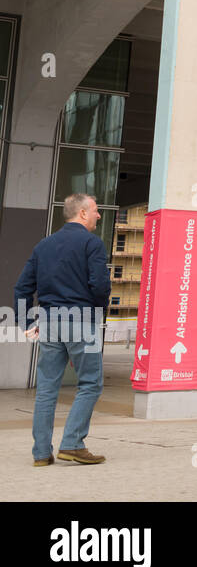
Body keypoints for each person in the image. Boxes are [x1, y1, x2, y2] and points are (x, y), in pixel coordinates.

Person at [15, 193, 111, 466]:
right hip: (82, 319)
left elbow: (22, 287)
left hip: (48, 322)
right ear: (82, 213)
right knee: (90, 384)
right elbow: (100, 285)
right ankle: (72, 444)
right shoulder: (92, 243)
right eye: (95, 210)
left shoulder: (43, 246)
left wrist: (27, 323)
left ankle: (41, 454)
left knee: (46, 389)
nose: (98, 215)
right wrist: (98, 310)